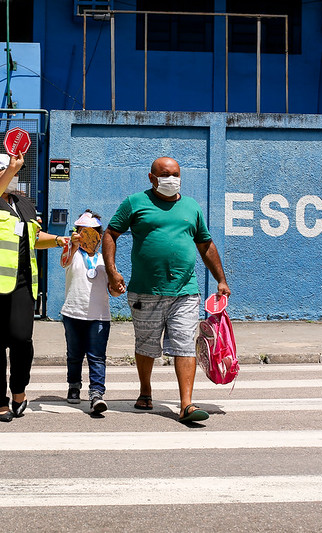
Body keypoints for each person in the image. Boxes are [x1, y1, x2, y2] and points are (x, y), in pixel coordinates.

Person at [103, 156, 231, 424]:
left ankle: (186, 404)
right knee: (146, 345)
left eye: (175, 174)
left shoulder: (191, 206)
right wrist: (112, 271)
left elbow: (205, 244)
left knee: (184, 344)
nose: (171, 179)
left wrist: (221, 279)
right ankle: (145, 391)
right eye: (165, 174)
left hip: (185, 290)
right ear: (151, 178)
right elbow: (110, 234)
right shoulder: (135, 203)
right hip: (145, 291)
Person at [0, 152, 69, 422]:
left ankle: (19, 390)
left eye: (13, 171)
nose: (13, 174)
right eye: (6, 171)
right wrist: (10, 169)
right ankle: (0, 401)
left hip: (22, 281)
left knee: (22, 340)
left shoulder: (22, 203)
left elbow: (33, 238)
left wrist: (59, 239)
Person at [61, 210, 122, 414]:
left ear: (100, 235)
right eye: (83, 231)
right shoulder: (71, 253)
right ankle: (74, 386)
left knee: (97, 356)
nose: (89, 236)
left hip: (99, 317)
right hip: (73, 314)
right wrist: (73, 244)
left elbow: (112, 290)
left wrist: (117, 289)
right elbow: (64, 261)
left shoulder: (106, 258)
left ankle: (96, 394)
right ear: (77, 232)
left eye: (94, 232)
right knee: (74, 355)